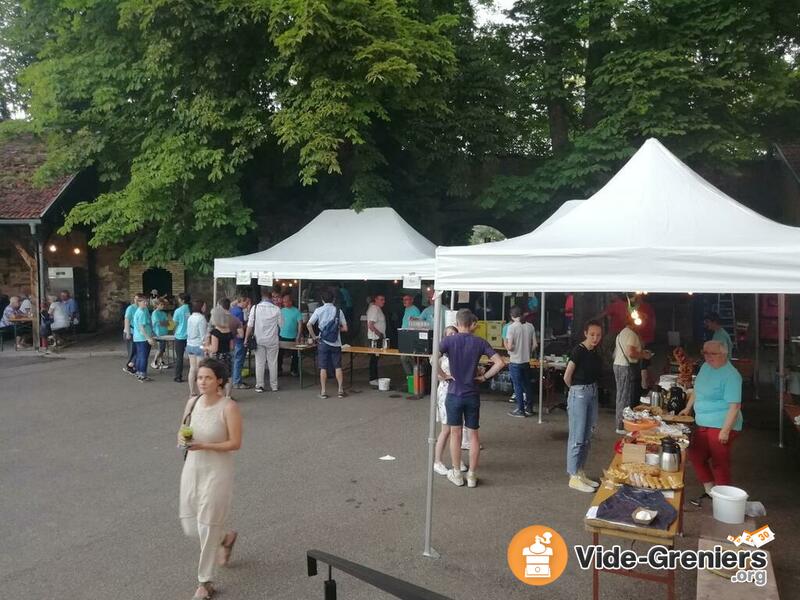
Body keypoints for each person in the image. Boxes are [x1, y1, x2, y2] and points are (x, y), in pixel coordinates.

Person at [178, 358, 242, 600]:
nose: (202, 382)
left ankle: (205, 583)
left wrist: (204, 444)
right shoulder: (192, 402)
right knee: (191, 526)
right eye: (199, 377)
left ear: (220, 381)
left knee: (206, 526)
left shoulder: (228, 407)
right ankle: (225, 538)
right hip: (193, 469)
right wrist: (183, 440)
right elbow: (182, 429)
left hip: (218, 472)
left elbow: (235, 443)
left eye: (207, 378)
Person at [439, 309, 505, 488]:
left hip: (453, 394)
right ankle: (472, 475)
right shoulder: (479, 342)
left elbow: (431, 359)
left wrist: (443, 375)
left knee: (455, 434)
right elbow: (500, 362)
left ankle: (457, 474)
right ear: (471, 324)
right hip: (472, 394)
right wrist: (484, 377)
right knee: (473, 435)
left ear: (458, 322)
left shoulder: (448, 340)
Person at [680, 340, 743, 506]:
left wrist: (725, 430)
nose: (708, 357)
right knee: (695, 454)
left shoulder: (731, 375)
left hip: (722, 423)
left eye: (713, 354)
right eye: (705, 353)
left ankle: (725, 501)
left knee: (719, 461)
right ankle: (710, 490)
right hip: (703, 422)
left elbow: (735, 406)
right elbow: (697, 390)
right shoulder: (706, 367)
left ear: (724, 354)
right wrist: (687, 408)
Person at [563, 320, 604, 493]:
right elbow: (567, 376)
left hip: (592, 392)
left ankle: (580, 471)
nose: (595, 338)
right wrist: (575, 391)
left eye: (598, 335)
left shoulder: (595, 351)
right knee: (577, 436)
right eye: (592, 334)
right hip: (579, 393)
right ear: (585, 333)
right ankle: (573, 475)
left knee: (587, 435)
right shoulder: (578, 351)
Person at [432, 326, 468, 476]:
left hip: (459, 393)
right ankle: (437, 461)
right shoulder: (442, 354)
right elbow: (433, 362)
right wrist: (443, 376)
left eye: (455, 333)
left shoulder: (460, 352)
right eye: (449, 334)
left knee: (457, 429)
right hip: (446, 392)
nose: (453, 336)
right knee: (446, 429)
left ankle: (456, 460)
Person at [613, 313, 651, 433]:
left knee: (621, 395)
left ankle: (621, 423)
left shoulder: (622, 333)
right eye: (643, 321)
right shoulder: (632, 334)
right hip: (626, 367)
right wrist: (644, 355)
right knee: (625, 397)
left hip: (618, 365)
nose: (643, 324)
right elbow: (631, 353)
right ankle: (622, 426)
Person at [307, 289, 348, 399]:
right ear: (333, 299)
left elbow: (309, 324)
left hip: (323, 342)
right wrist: (336, 328)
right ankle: (340, 390)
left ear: (322, 300)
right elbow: (345, 328)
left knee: (323, 367)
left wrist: (315, 337)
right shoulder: (339, 311)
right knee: (338, 366)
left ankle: (323, 391)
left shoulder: (318, 310)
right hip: (336, 342)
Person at [244, 287, 283, 393]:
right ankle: (274, 386)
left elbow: (250, 325)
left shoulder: (255, 308)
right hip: (272, 340)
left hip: (259, 339)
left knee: (259, 362)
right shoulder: (276, 309)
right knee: (273, 362)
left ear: (262, 297)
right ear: (271, 297)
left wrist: (246, 338)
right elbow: (281, 325)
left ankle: (260, 385)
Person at [504, 305, 538, 417]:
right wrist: (527, 349)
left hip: (515, 361)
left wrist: (509, 346)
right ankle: (530, 408)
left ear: (512, 316)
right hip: (526, 361)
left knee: (517, 386)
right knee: (527, 385)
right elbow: (535, 345)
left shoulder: (511, 327)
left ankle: (520, 410)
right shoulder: (530, 326)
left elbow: (509, 347)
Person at [208, 307, 234, 397]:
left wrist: (206, 347)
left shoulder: (215, 332)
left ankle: (220, 396)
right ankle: (228, 395)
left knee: (218, 377)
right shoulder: (229, 330)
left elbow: (214, 348)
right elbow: (231, 346)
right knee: (228, 377)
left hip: (218, 357)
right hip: (228, 356)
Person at [132, 294, 156, 382]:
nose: (146, 303)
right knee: (143, 356)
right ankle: (142, 374)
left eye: (147, 301)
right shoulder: (141, 313)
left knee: (139, 355)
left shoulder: (140, 311)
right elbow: (141, 327)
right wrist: (148, 338)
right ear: (139, 302)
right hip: (142, 338)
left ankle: (138, 372)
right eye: (144, 302)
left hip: (138, 337)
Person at [187, 300, 209, 396]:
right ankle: (202, 391)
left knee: (192, 368)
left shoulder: (190, 317)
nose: (205, 308)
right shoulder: (201, 319)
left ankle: (192, 391)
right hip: (199, 345)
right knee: (201, 369)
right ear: (201, 307)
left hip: (190, 344)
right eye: (204, 306)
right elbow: (203, 336)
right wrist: (206, 347)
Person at [278, 293, 303, 376]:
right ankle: (279, 369)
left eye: (287, 301)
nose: (285, 303)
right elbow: (277, 323)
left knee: (295, 355)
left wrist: (298, 335)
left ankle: (294, 370)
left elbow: (300, 323)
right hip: (282, 335)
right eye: (284, 302)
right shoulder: (281, 311)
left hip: (293, 336)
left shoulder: (296, 311)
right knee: (279, 354)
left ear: (291, 301)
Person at [230, 295, 251, 390]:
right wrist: (248, 324)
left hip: (233, 338)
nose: (247, 305)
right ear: (242, 301)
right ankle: (237, 381)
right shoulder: (239, 313)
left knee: (235, 360)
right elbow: (241, 327)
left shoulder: (233, 310)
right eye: (247, 302)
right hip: (239, 339)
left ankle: (236, 379)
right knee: (239, 360)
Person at [366, 294, 387, 386]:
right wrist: (380, 334)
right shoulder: (374, 309)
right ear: (376, 300)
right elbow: (370, 325)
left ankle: (374, 377)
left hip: (377, 337)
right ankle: (373, 378)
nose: (383, 301)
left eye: (384, 300)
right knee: (374, 358)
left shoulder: (377, 309)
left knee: (376, 358)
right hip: (375, 338)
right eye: (381, 300)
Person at [400, 294, 421, 375]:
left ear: (412, 300)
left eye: (407, 299)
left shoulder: (414, 310)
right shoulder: (406, 309)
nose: (404, 301)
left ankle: (414, 377)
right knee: (405, 357)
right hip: (405, 336)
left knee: (406, 357)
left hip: (411, 337)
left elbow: (419, 323)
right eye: (403, 299)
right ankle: (412, 377)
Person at [173, 293, 191, 383]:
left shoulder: (178, 311)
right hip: (190, 336)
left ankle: (178, 376)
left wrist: (174, 331)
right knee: (192, 357)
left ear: (182, 300)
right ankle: (194, 375)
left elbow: (175, 324)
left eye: (179, 299)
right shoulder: (191, 309)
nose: (178, 300)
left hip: (180, 336)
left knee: (179, 357)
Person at [123, 294, 141, 375]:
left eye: (139, 299)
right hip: (131, 332)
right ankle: (129, 366)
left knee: (138, 350)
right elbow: (127, 320)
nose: (138, 301)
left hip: (138, 333)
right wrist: (128, 333)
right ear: (134, 299)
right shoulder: (130, 308)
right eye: (136, 299)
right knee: (132, 351)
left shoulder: (141, 308)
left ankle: (132, 365)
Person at [151, 298, 170, 370]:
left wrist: (165, 323)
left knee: (163, 349)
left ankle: (161, 362)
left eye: (163, 305)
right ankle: (154, 362)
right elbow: (160, 323)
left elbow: (167, 323)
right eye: (161, 305)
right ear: (156, 305)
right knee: (160, 349)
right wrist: (165, 323)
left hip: (164, 333)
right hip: (158, 334)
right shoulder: (155, 313)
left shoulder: (163, 313)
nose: (163, 306)